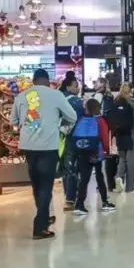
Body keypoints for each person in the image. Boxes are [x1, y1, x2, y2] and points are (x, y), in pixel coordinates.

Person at [11, 69, 77, 240]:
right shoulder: (56, 96)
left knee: (36, 184)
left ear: (33, 81)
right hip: (48, 146)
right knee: (46, 186)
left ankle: (43, 216)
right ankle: (39, 227)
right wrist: (62, 127)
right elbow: (72, 116)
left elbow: (14, 122)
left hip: (28, 146)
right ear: (48, 81)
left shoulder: (21, 96)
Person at [71, 98, 116, 215]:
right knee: (100, 177)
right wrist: (106, 150)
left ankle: (79, 205)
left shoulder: (81, 119)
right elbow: (105, 138)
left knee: (84, 179)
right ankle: (105, 202)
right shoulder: (100, 121)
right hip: (96, 152)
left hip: (82, 151)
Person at [112, 82, 134, 194]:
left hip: (120, 134)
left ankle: (118, 177)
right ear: (131, 90)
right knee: (131, 161)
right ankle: (129, 187)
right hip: (132, 134)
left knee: (122, 158)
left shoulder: (116, 101)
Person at [60, 78, 86, 211]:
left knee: (67, 168)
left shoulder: (60, 99)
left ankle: (68, 196)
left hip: (63, 138)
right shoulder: (76, 101)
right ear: (68, 87)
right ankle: (71, 198)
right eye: (76, 86)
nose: (78, 88)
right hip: (76, 138)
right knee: (74, 168)